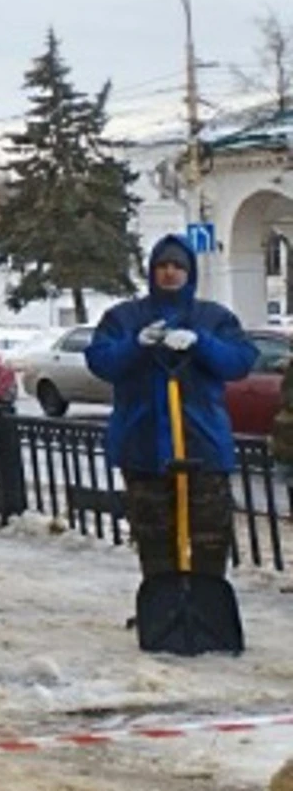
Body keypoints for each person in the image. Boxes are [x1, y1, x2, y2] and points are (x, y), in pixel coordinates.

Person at [84, 235, 257, 580]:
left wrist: (201, 343)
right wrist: (136, 345)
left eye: (178, 266)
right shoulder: (124, 317)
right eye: (162, 265)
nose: (169, 273)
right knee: (154, 538)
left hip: (203, 446)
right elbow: (102, 361)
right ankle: (163, 606)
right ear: (151, 271)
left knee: (209, 536)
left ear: (189, 272)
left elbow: (239, 361)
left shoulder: (213, 317)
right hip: (143, 447)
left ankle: (204, 606)